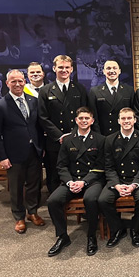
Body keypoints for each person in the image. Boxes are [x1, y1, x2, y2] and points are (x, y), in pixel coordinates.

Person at [0, 69, 44, 233]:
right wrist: (2, 157)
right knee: (16, 187)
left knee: (34, 185)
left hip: (34, 151)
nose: (18, 84)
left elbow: (37, 127)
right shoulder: (0, 105)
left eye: (20, 81)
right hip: (13, 155)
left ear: (24, 82)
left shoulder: (33, 100)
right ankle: (19, 217)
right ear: (7, 84)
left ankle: (32, 212)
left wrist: (41, 147)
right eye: (13, 81)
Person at [46, 107, 105, 257]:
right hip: (71, 180)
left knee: (90, 199)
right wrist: (69, 182)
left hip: (92, 180)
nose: (84, 121)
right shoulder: (67, 140)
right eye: (81, 118)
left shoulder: (100, 139)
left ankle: (91, 236)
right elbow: (61, 165)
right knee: (52, 200)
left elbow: (100, 167)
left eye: (87, 118)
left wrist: (84, 182)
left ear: (92, 121)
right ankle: (62, 236)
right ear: (76, 120)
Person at [98, 108, 139, 248]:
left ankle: (135, 228)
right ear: (118, 121)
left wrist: (134, 185)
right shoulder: (110, 139)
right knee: (103, 200)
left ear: (135, 120)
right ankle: (117, 229)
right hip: (118, 180)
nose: (126, 121)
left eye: (129, 118)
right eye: (123, 119)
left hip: (137, 179)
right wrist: (116, 185)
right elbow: (108, 167)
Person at [38, 54, 88, 193]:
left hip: (76, 139)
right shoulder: (45, 90)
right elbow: (43, 117)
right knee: (54, 174)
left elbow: (84, 115)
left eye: (67, 67)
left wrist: (72, 135)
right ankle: (57, 208)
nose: (64, 70)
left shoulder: (80, 89)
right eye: (60, 67)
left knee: (76, 172)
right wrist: (60, 136)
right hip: (55, 141)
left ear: (72, 69)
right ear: (54, 68)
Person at [88, 60, 135, 136]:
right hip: (104, 135)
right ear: (103, 71)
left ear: (119, 71)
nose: (112, 71)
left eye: (114, 68)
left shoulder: (129, 90)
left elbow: (134, 114)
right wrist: (98, 136)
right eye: (108, 68)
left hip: (124, 135)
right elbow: (93, 117)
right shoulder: (95, 91)